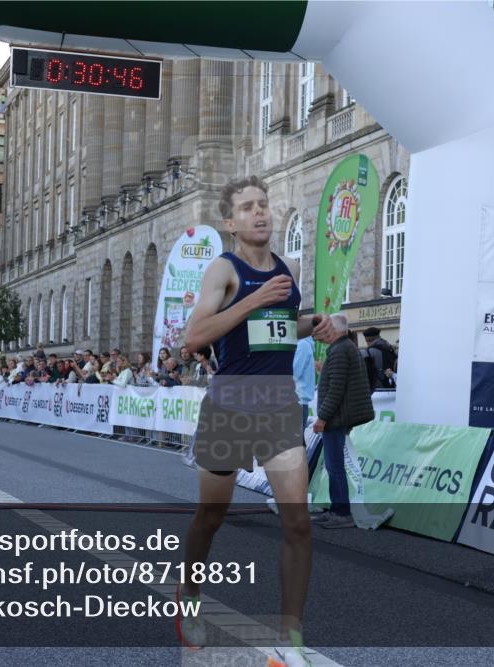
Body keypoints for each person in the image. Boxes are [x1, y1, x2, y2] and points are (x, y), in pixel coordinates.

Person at [179, 175, 333, 666]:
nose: (259, 213)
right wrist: (254, 298)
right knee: (211, 517)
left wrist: (323, 324)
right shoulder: (223, 269)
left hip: (278, 405)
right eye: (247, 208)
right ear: (230, 222)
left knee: (299, 524)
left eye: (263, 205)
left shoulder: (287, 267)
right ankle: (189, 598)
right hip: (229, 404)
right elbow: (194, 337)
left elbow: (285, 328)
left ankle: (290, 640)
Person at [312, 313, 377, 529]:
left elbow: (336, 390)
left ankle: (341, 513)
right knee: (334, 466)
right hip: (340, 418)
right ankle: (337, 509)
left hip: (335, 419)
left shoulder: (340, 350)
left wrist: (322, 417)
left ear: (335, 329)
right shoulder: (345, 348)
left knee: (335, 466)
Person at [293, 337, 315, 433]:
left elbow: (294, 373)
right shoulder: (304, 344)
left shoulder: (302, 345)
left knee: (294, 444)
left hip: (297, 402)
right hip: (299, 402)